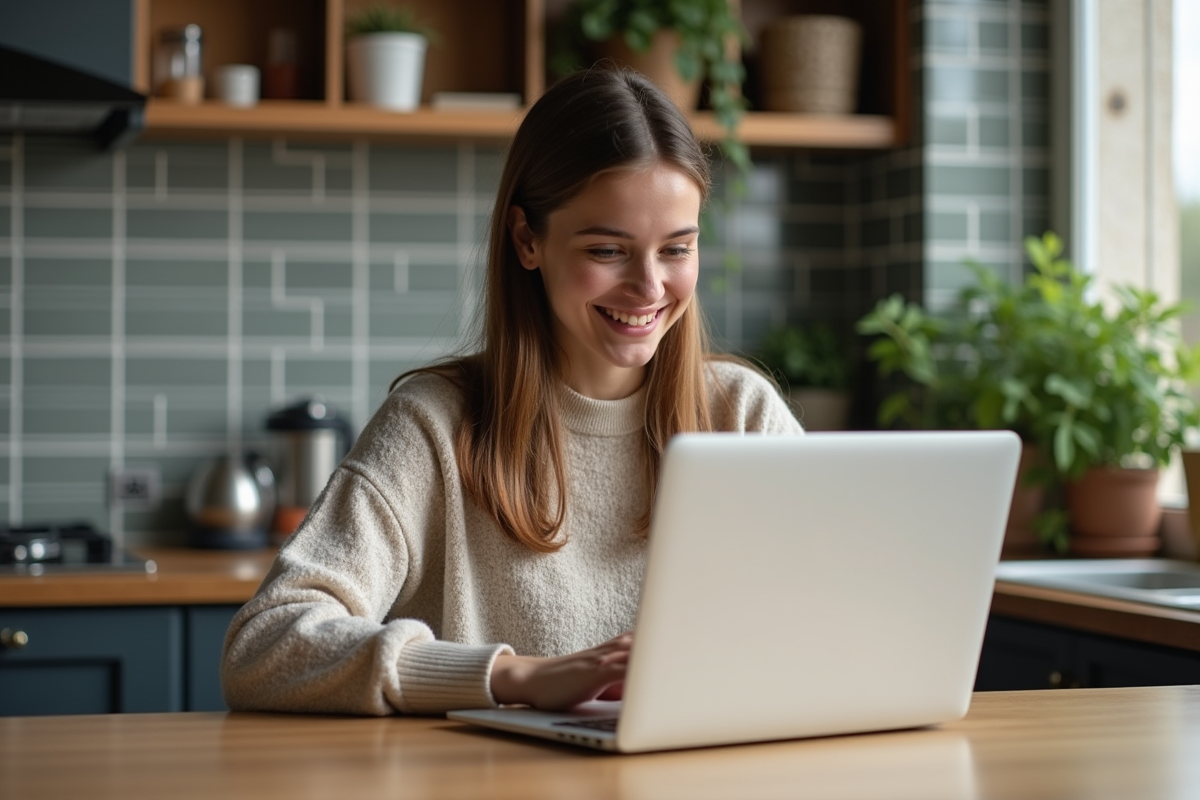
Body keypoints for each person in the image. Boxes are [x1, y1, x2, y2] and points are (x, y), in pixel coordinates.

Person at [221, 67, 803, 716]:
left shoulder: (743, 415)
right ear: (528, 240)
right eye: (609, 251)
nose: (649, 286)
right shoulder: (433, 425)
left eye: (676, 249)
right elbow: (264, 647)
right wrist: (512, 677)